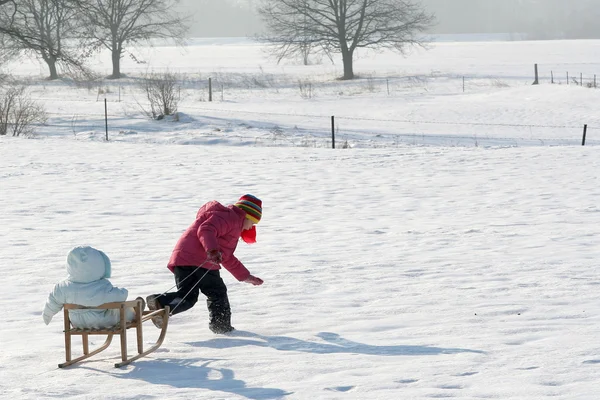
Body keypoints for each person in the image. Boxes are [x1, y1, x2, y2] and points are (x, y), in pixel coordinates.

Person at [147, 194, 264, 334]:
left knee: (187, 297)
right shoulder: (230, 218)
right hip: (200, 260)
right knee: (217, 292)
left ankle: (160, 303)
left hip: (185, 258)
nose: (250, 227)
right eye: (252, 223)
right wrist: (212, 250)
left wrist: (246, 276)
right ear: (247, 215)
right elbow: (206, 229)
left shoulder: (231, 222)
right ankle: (221, 327)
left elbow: (227, 258)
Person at [43, 246, 143, 329]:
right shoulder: (102, 286)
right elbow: (119, 297)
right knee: (121, 311)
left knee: (113, 310)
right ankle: (135, 311)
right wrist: (123, 291)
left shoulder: (62, 287)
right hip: (102, 321)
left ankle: (134, 309)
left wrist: (47, 316)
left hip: (77, 323)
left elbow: (52, 303)